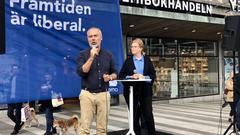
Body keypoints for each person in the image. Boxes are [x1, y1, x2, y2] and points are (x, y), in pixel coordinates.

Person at [76, 27, 117, 135]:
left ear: (101, 38)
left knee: (102, 129)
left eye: (95, 36)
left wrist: (110, 77)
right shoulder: (82, 54)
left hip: (103, 94)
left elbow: (115, 73)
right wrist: (91, 57)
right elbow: (82, 72)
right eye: (90, 36)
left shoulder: (108, 55)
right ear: (87, 39)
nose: (93, 38)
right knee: (84, 129)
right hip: (87, 95)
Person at [119, 38, 156, 135]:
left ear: (140, 48)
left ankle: (152, 133)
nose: (132, 48)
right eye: (131, 47)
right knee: (134, 115)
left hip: (145, 91)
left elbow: (153, 75)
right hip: (131, 92)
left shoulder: (147, 60)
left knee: (148, 114)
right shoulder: (128, 61)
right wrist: (131, 77)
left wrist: (144, 76)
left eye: (135, 47)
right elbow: (121, 75)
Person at [7, 64, 25, 135]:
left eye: (16, 69)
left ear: (18, 70)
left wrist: (24, 100)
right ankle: (19, 124)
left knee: (18, 114)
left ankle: (16, 129)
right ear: (12, 70)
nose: (15, 70)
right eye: (14, 69)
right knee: (9, 113)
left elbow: (23, 89)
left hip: (18, 99)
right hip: (10, 99)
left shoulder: (21, 78)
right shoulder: (11, 77)